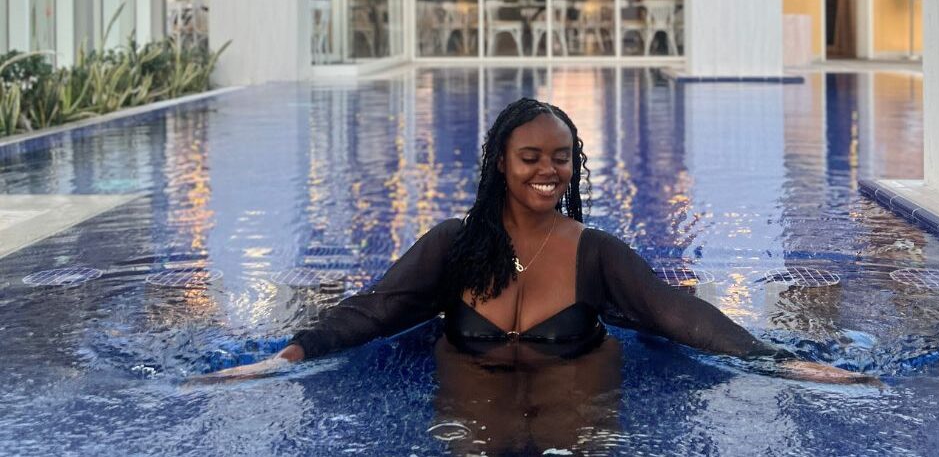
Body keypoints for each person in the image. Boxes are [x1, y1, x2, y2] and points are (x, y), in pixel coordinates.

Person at [198, 97, 873, 385]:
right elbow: (373, 310)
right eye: (531, 157)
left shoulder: (595, 253)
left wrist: (780, 361)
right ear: (500, 161)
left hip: (575, 434)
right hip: (467, 432)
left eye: (562, 157)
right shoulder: (452, 246)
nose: (549, 171)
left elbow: (680, 314)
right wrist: (282, 358)